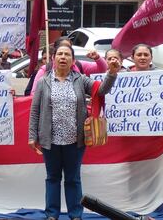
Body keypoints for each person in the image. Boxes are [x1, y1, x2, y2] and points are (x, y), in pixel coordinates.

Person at [28, 45, 121, 220]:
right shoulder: (43, 82)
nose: (63, 57)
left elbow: (101, 90)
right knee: (53, 178)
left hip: (75, 140)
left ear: (72, 60)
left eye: (67, 55)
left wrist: (112, 73)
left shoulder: (80, 80)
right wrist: (32, 136)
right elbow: (35, 111)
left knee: (73, 179)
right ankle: (51, 214)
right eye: (60, 54)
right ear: (53, 58)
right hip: (50, 140)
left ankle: (75, 214)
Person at [30, 37, 106, 94]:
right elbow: (34, 95)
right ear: (54, 56)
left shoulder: (80, 75)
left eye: (67, 53)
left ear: (73, 58)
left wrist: (97, 58)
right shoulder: (45, 71)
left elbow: (102, 70)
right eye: (60, 53)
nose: (63, 57)